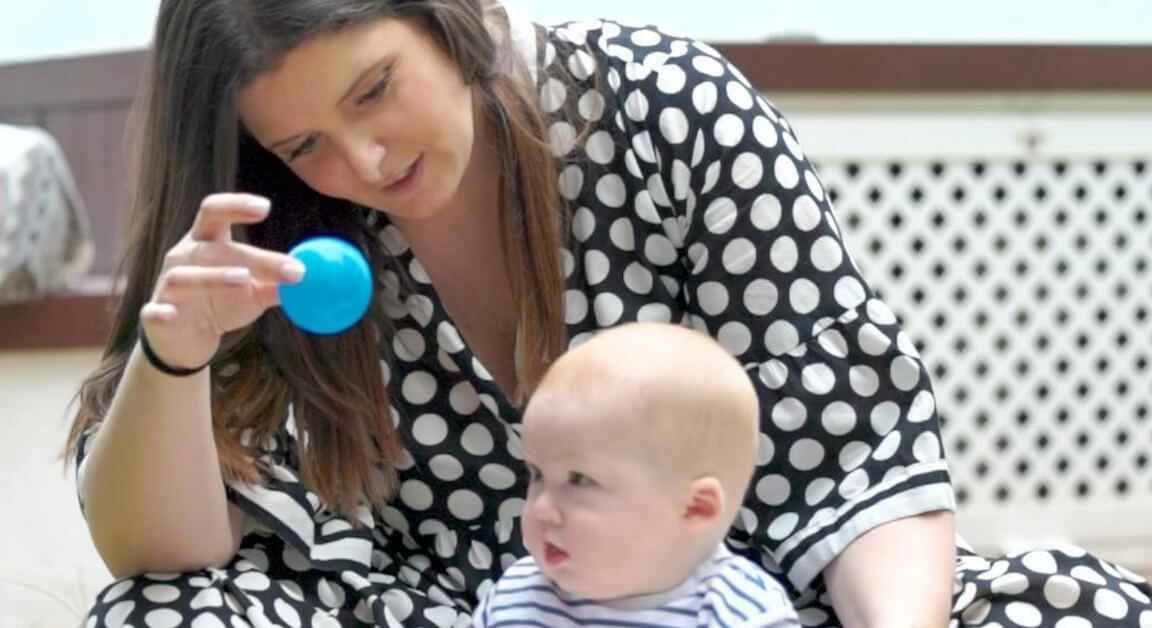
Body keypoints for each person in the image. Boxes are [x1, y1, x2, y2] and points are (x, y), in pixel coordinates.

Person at [64, 0, 1152, 626]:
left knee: (1074, 602)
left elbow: (857, 454)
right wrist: (174, 357)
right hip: (439, 615)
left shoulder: (666, 109)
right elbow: (162, 556)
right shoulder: (269, 230)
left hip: (744, 604)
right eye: (305, 144)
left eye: (374, 90)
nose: (363, 162)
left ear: (450, 17)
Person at [472, 322, 801, 627]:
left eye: (579, 480)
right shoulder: (514, 597)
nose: (541, 508)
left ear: (694, 508)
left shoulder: (743, 613)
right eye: (538, 474)